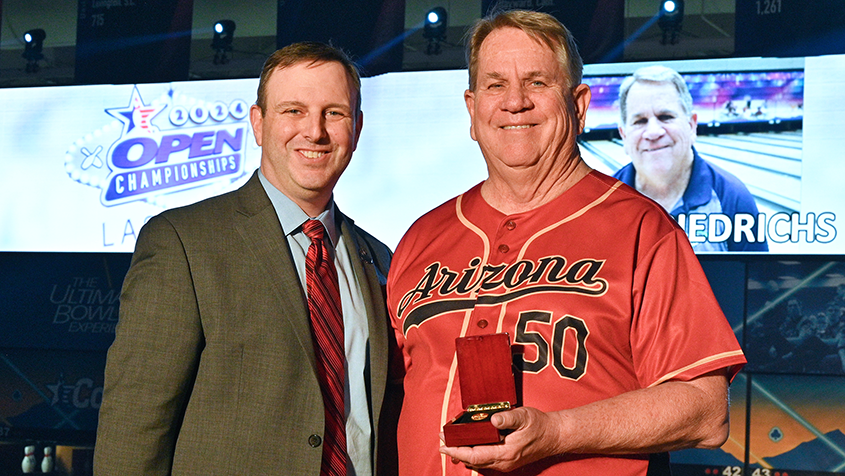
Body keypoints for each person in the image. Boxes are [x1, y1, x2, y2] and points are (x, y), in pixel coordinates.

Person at [386, 10, 746, 476]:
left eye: (537, 83)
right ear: (472, 110)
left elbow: (706, 409)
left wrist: (557, 432)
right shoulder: (422, 238)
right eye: (495, 85)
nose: (515, 102)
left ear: (577, 105)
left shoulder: (641, 230)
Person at [94, 42, 398, 475]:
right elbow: (134, 426)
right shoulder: (183, 243)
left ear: (358, 127)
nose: (315, 131)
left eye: (334, 113)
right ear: (259, 123)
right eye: (293, 110)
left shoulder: (379, 258)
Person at [614, 65, 767, 252]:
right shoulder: (599, 203)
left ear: (692, 125)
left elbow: (756, 280)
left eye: (666, 117)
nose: (653, 132)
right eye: (640, 121)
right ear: (623, 135)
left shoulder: (732, 198)